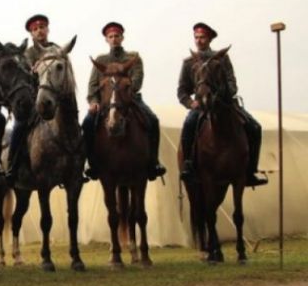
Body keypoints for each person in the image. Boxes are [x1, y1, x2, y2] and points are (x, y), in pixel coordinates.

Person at [177, 22, 268, 187]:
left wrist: (222, 95)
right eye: (196, 37)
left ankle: (250, 170)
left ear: (209, 39)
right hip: (201, 107)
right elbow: (182, 91)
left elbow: (232, 83)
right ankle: (188, 165)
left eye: (202, 37)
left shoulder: (222, 58)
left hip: (224, 104)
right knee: (189, 125)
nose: (198, 40)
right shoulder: (189, 62)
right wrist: (191, 103)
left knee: (255, 127)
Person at [82, 22, 166, 181]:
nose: (114, 39)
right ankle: (91, 163)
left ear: (122, 38)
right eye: (110, 37)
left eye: (117, 36)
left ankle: (154, 162)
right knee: (87, 123)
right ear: (106, 39)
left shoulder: (133, 58)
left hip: (130, 100)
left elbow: (137, 81)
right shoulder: (101, 60)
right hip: (105, 103)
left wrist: (124, 91)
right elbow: (92, 85)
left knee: (153, 120)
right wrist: (93, 101)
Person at [4, 14, 55, 184]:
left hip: (54, 100)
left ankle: (79, 166)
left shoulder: (57, 50)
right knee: (19, 126)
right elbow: (23, 80)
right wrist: (33, 71)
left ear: (47, 29)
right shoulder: (27, 54)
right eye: (35, 29)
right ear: (31, 34)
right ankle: (11, 165)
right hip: (33, 101)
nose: (39, 31)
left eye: (42, 27)